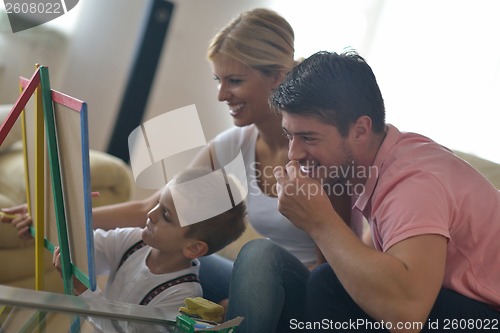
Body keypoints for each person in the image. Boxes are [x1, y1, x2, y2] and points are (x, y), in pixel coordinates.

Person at [1, 8, 318, 307]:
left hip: (304, 292)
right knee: (167, 250)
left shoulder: (317, 149)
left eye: (234, 81)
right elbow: (149, 209)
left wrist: (248, 304)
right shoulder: (232, 144)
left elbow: (328, 266)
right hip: (252, 279)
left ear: (277, 77)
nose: (222, 95)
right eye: (218, 80)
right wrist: (61, 216)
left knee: (257, 258)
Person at [227, 50, 500, 332]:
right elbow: (368, 263)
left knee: (328, 285)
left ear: (360, 130)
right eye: (289, 135)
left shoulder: (413, 181)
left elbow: (408, 314)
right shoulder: (381, 164)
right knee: (263, 257)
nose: (293, 154)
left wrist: (320, 221)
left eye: (308, 137)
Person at [52, 167, 246, 332]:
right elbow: (87, 248)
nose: (151, 214)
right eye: (157, 205)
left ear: (193, 247)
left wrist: (83, 290)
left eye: (166, 215)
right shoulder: (134, 240)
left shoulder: (181, 296)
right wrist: (74, 216)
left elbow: (120, 329)